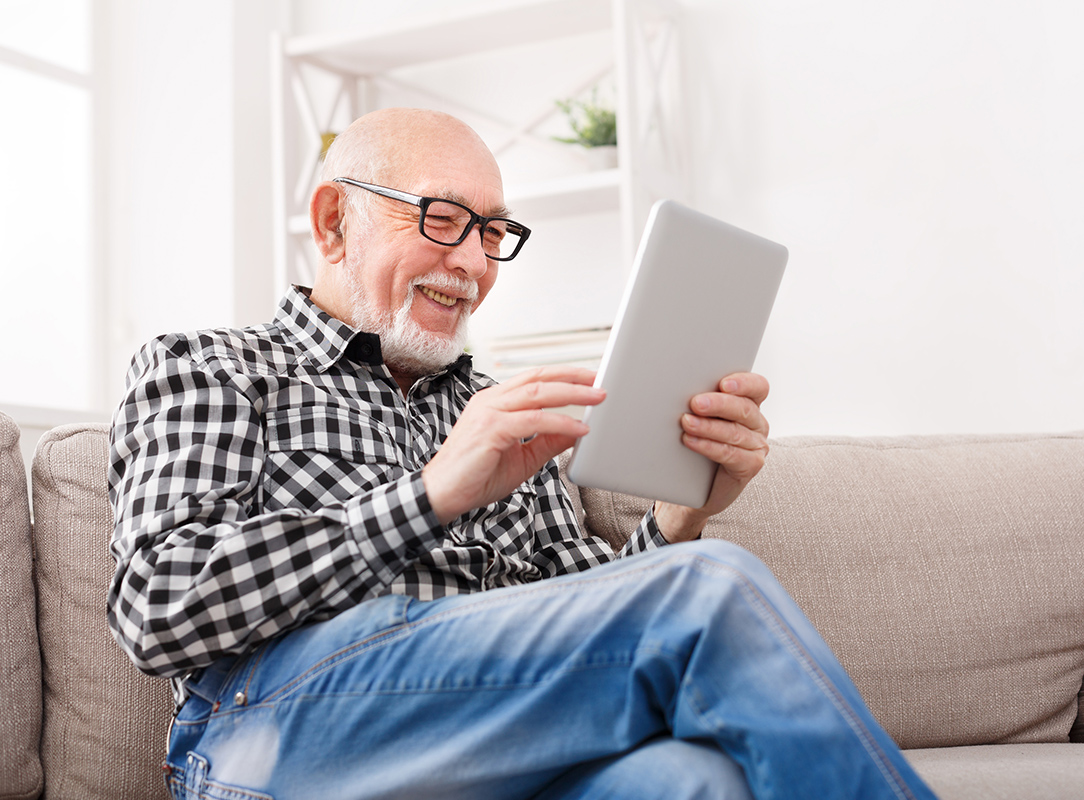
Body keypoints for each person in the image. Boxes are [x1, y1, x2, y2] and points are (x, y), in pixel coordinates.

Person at [108, 107, 936, 800]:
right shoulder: (210, 366)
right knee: (712, 585)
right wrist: (430, 494)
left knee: (692, 779)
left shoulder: (503, 411)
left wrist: (677, 516)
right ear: (334, 221)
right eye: (442, 219)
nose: (471, 262)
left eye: (494, 232)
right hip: (273, 731)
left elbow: (585, 616)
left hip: (494, 734)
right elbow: (155, 608)